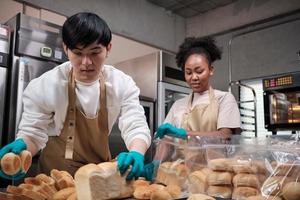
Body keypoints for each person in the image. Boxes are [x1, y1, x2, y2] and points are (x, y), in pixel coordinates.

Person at [0, 12, 151, 181]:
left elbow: (135, 125)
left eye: (94, 52)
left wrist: (137, 152)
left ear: (108, 48)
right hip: (54, 178)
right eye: (78, 53)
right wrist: (22, 147)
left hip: (97, 178)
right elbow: (33, 133)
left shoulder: (121, 84)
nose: (86, 62)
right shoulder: (46, 85)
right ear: (66, 49)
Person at [142, 36, 241, 181]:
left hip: (218, 177)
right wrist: (156, 163)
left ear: (211, 70)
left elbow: (224, 136)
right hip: (184, 177)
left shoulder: (224, 99)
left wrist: (184, 133)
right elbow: (165, 141)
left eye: (199, 71)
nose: (194, 77)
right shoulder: (178, 105)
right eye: (188, 72)